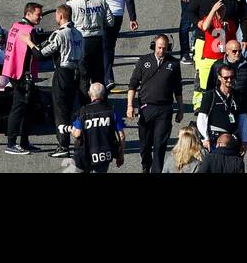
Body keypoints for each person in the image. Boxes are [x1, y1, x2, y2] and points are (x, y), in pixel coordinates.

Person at [127, 32, 184, 173]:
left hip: (165, 109)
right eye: (159, 47)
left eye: (164, 48)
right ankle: (146, 165)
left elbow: (178, 88)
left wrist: (181, 109)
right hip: (146, 108)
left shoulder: (174, 63)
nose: (161, 51)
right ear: (154, 46)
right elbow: (133, 84)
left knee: (160, 145)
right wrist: (130, 105)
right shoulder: (143, 61)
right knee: (145, 144)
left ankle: (156, 170)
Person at [38, 3, 85, 157]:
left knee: (60, 109)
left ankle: (62, 146)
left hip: (63, 73)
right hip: (76, 73)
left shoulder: (59, 34)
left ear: (60, 16)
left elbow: (43, 52)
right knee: (72, 107)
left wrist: (30, 43)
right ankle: (78, 140)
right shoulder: (78, 33)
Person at [2, 1, 43, 155]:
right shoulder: (30, 31)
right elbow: (38, 53)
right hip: (23, 75)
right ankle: (12, 144)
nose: (40, 18)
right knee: (19, 109)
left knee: (27, 109)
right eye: (38, 15)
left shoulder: (15, 26)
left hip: (12, 71)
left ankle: (24, 142)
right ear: (29, 13)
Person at [71, 82, 125, 173]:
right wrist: (121, 155)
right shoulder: (112, 110)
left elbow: (77, 134)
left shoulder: (83, 111)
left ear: (89, 94)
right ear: (104, 94)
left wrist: (70, 129)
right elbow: (121, 136)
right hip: (104, 154)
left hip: (86, 153)